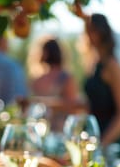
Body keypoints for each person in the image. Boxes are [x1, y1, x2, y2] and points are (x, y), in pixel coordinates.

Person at [28, 37, 82, 132]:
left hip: (45, 130)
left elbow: (72, 106)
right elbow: (74, 106)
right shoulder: (66, 77)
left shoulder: (37, 79)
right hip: (59, 131)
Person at [83, 13, 120, 147]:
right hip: (94, 137)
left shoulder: (111, 66)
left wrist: (102, 145)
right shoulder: (94, 64)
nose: (88, 36)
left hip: (109, 143)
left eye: (92, 31)